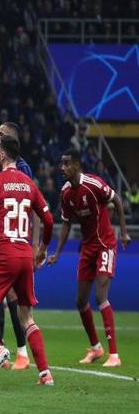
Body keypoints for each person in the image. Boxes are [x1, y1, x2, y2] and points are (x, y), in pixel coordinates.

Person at [0, 135, 55, 386]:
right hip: (26, 256)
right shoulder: (29, 184)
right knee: (27, 317)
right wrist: (42, 249)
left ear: (3, 154)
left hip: (5, 255)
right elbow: (49, 220)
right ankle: (45, 374)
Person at [48, 148, 130, 367]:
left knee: (100, 295)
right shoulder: (66, 193)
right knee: (80, 301)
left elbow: (117, 200)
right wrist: (57, 252)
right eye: (61, 164)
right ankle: (96, 348)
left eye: (66, 164)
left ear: (76, 165)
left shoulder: (93, 184)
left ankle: (114, 355)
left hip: (105, 244)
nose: (62, 168)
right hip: (87, 248)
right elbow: (66, 223)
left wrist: (123, 232)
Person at [0, 122, 39, 369]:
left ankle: (21, 351)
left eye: (1, 134)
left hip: (17, 241)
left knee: (14, 298)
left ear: (11, 139)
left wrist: (35, 245)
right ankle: (9, 350)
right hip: (3, 239)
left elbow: (35, 207)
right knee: (2, 297)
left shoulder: (23, 168)